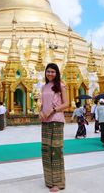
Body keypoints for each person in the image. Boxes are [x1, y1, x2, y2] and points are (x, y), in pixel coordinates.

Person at [39, 63, 69, 192]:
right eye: (48, 71)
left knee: (55, 151)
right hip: (45, 121)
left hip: (56, 120)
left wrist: (52, 111)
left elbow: (67, 104)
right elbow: (42, 104)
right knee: (46, 151)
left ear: (57, 73)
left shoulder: (61, 85)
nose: (50, 74)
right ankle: (49, 181)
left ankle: (58, 182)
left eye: (53, 72)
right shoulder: (43, 87)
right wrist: (40, 111)